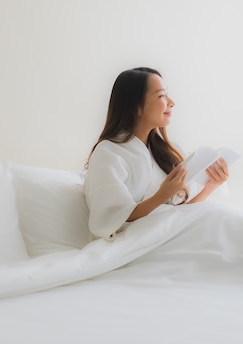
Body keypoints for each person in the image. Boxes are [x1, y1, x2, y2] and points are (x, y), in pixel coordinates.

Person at [84, 67, 230, 241]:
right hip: (138, 242)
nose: (171, 102)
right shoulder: (108, 153)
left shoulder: (168, 151)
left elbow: (178, 216)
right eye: (161, 96)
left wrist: (210, 187)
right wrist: (162, 195)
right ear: (136, 106)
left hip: (171, 235)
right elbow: (110, 221)